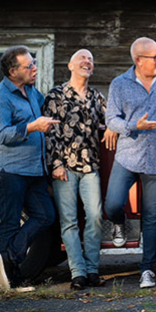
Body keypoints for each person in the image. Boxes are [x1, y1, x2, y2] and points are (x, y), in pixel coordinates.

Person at [104, 37, 156, 289]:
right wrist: (133, 126)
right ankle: (119, 224)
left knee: (152, 217)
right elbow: (111, 119)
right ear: (139, 60)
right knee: (112, 204)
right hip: (127, 156)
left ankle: (147, 268)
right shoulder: (119, 84)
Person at [0, 45, 59, 290]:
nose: (34, 68)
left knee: (45, 215)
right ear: (12, 71)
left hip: (33, 170)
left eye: (34, 62)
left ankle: (10, 256)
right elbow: (1, 135)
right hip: (8, 170)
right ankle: (12, 282)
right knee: (10, 222)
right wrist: (33, 127)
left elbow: (48, 108)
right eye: (29, 66)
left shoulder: (32, 92)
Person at [43, 49, 118, 291]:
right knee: (69, 221)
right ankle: (78, 273)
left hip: (90, 166)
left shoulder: (97, 97)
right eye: (82, 59)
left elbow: (112, 118)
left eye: (90, 60)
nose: (87, 62)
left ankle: (92, 270)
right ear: (70, 65)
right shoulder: (56, 95)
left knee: (95, 217)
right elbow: (50, 133)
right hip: (64, 167)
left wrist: (111, 127)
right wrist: (56, 164)